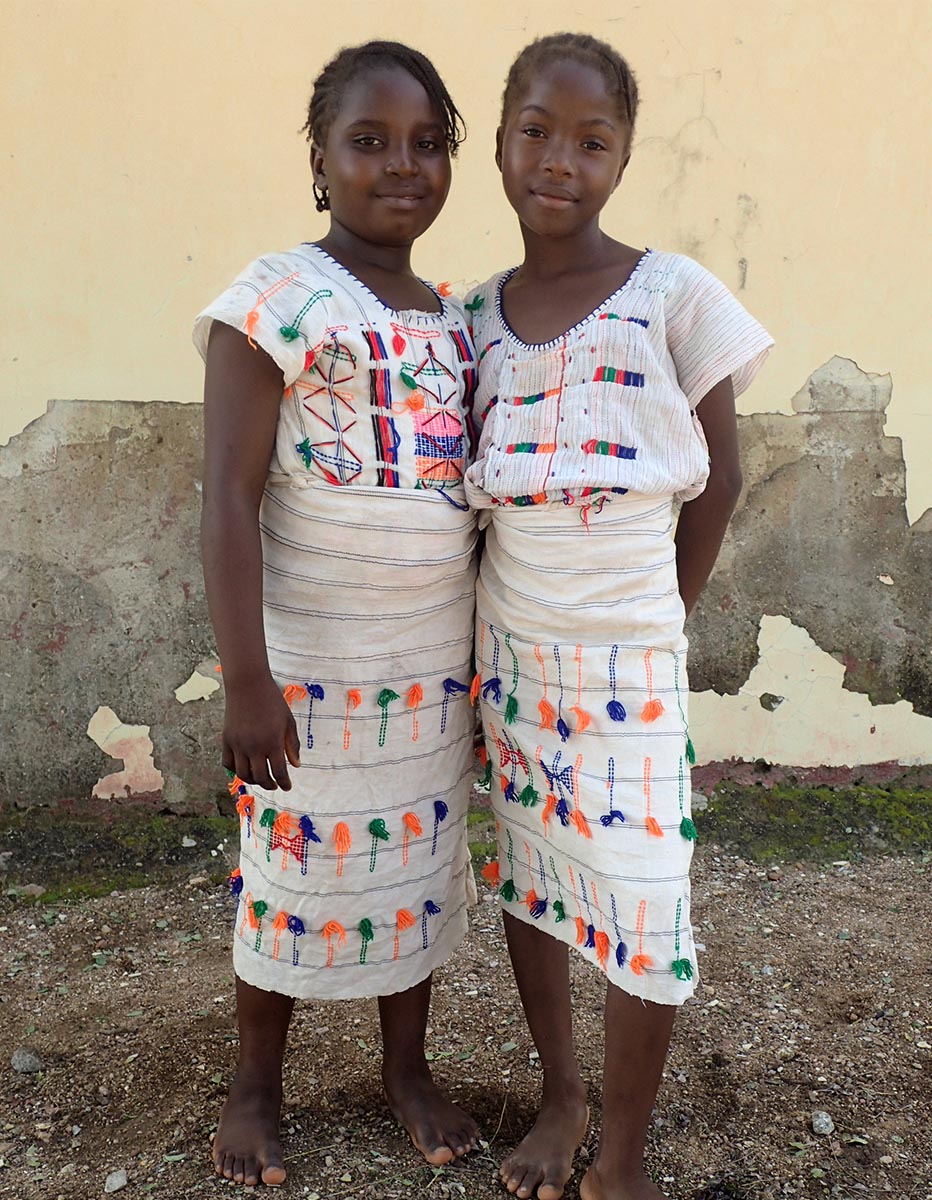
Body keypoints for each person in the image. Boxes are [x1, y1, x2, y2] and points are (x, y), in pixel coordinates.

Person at [465, 33, 773, 1200]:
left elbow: (722, 475)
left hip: (630, 648)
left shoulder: (672, 294)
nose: (559, 159)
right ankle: (559, 1094)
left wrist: (664, 618)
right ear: (500, 141)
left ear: (623, 156)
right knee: (534, 873)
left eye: (591, 141)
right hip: (514, 650)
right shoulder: (472, 318)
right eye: (536, 130)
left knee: (646, 890)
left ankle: (624, 1156)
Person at [194, 40, 480, 1189]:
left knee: (411, 870)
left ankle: (402, 1068)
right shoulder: (275, 297)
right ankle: (257, 1082)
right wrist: (246, 679)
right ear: (319, 162)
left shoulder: (456, 321)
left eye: (425, 144)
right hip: (308, 670)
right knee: (295, 869)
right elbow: (225, 492)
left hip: (426, 671)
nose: (398, 166)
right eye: (368, 143)